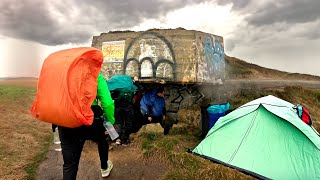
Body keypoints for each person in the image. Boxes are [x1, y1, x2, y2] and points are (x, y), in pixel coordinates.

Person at [58, 73, 115, 179]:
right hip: (90, 119)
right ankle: (104, 167)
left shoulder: (63, 73)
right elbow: (107, 103)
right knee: (102, 140)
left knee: (70, 164)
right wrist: (110, 121)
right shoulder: (96, 74)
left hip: (66, 119)